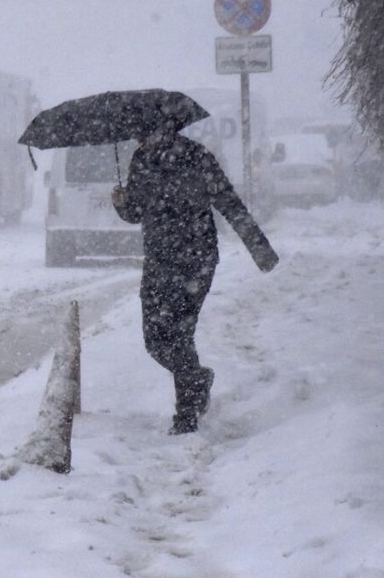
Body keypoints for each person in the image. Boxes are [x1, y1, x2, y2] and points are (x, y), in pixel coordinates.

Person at [112, 123, 278, 434]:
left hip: (195, 260)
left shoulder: (196, 156)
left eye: (145, 132)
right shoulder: (140, 160)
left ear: (165, 127)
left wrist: (260, 248)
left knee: (178, 335)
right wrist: (122, 203)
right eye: (138, 134)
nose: (140, 138)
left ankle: (186, 415)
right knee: (154, 341)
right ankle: (198, 380)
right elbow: (136, 212)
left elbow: (229, 203)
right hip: (159, 261)